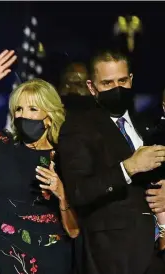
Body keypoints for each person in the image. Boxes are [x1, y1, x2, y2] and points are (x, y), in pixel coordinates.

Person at [0, 50, 79, 274]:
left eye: (32, 109)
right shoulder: (1, 144)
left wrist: (61, 193)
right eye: (18, 109)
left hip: (48, 258)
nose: (23, 115)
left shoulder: (66, 156)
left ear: (49, 117)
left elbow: (74, 230)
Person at [58, 50, 165, 274]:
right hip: (114, 254)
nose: (117, 88)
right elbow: (79, 191)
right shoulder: (78, 127)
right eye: (107, 83)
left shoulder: (148, 124)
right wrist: (128, 167)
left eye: (122, 80)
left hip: (157, 253)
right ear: (91, 87)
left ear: (131, 79)